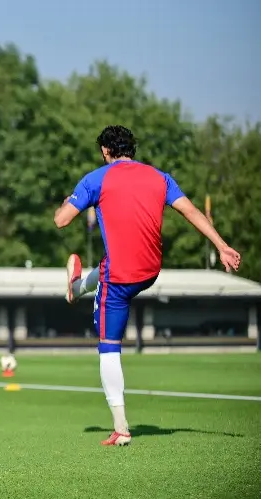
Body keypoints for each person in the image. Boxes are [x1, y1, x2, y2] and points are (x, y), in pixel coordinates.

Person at [53, 125, 241, 446]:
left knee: (108, 346)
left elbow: (62, 220)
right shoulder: (160, 177)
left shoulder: (96, 178)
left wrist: (69, 201)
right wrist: (221, 245)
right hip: (150, 271)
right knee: (107, 264)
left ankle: (121, 428)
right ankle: (78, 284)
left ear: (105, 151)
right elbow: (191, 211)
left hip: (120, 277)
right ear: (132, 150)